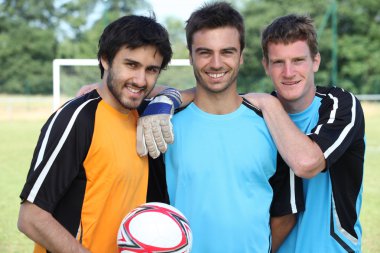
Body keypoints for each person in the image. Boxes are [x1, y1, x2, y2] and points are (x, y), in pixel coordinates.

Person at [141, 3, 304, 253]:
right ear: (191, 56)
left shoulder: (272, 125)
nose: (216, 63)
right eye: (205, 52)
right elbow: (154, 207)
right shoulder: (164, 125)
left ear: (241, 55)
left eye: (227, 52)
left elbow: (285, 214)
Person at [17, 15, 175, 253]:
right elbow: (31, 217)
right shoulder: (77, 118)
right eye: (131, 65)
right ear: (106, 60)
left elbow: (195, 93)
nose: (141, 80)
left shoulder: (144, 117)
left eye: (151, 69)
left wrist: (167, 98)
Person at [243, 14, 365, 252]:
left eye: (298, 60)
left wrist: (269, 103)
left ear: (315, 62)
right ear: (266, 66)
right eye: (278, 62)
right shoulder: (254, 118)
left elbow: (307, 163)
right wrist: (169, 99)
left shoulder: (341, 104)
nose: (288, 72)